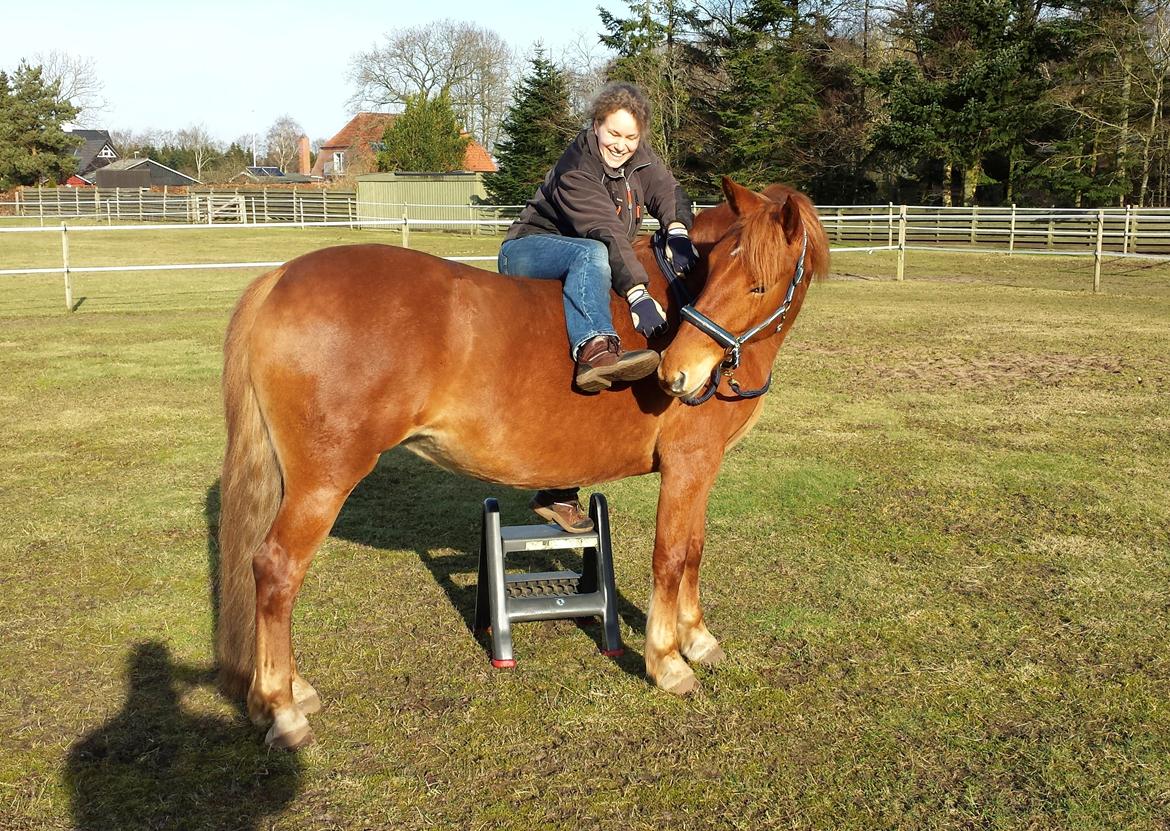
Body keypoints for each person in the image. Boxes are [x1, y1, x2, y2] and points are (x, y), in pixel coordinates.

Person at [497, 82, 699, 533]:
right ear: (596, 125)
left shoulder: (640, 159)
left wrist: (679, 228)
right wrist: (638, 294)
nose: (621, 146)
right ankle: (594, 349)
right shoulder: (577, 168)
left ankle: (558, 488)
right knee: (591, 254)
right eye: (614, 134)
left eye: (630, 138)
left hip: (590, 255)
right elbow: (604, 233)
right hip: (530, 249)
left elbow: (667, 191)